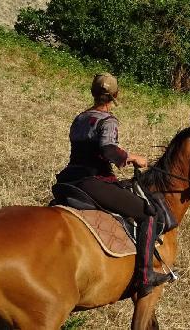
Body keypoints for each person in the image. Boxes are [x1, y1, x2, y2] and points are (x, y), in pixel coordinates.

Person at [55, 73, 173, 297]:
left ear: (92, 92)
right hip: (92, 181)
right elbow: (108, 148)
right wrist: (133, 157)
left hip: (68, 179)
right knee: (148, 212)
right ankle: (146, 275)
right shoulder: (108, 120)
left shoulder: (79, 118)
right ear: (116, 95)